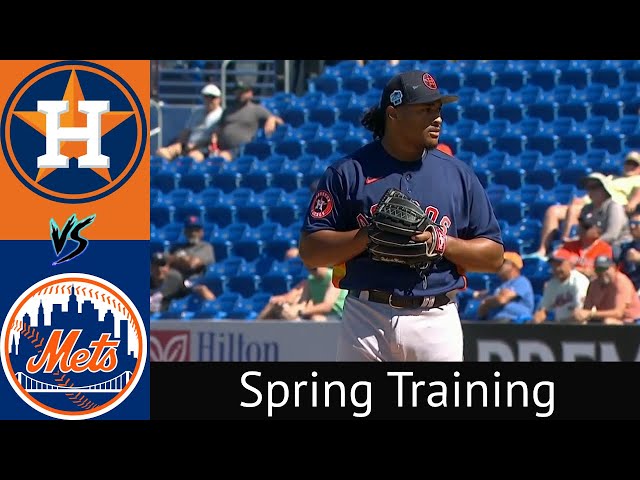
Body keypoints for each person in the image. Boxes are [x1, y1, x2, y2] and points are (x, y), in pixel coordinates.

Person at [298, 69, 504, 361]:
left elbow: (494, 256)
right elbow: (311, 252)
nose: (437, 118)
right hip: (366, 316)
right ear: (393, 114)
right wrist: (366, 237)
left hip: (435, 318)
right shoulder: (348, 172)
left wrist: (440, 243)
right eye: (425, 109)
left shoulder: (458, 175)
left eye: (438, 109)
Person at [529, 151, 640, 258]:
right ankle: (546, 249)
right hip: (590, 214)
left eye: (634, 164)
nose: (630, 166)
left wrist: (590, 246)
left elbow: (612, 234)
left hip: (614, 244)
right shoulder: (611, 179)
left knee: (573, 211)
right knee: (553, 210)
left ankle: (565, 239)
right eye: (628, 163)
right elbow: (583, 232)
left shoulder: (617, 202)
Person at [211, 83, 285, 161]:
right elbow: (218, 128)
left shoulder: (256, 109)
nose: (240, 94)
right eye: (238, 92)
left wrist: (272, 119)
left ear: (250, 93)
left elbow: (280, 121)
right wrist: (214, 138)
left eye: (243, 92)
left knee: (220, 159)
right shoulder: (228, 111)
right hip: (221, 148)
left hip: (242, 150)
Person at [155, 83, 224, 162]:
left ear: (219, 99)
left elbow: (216, 137)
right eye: (206, 97)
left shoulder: (221, 115)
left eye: (212, 97)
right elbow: (187, 131)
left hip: (204, 149)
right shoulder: (197, 112)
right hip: (187, 145)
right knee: (161, 153)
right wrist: (179, 144)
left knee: (191, 159)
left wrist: (195, 146)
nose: (209, 100)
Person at [258, 266, 347, 321]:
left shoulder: (334, 277)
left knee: (316, 319)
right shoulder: (310, 280)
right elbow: (302, 302)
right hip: (315, 314)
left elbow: (327, 306)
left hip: (338, 316)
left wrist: (301, 312)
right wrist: (290, 311)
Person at [573, 255, 640, 324]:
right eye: (599, 269)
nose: (602, 273)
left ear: (613, 268)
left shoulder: (621, 282)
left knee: (609, 322)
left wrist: (590, 314)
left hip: (632, 321)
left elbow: (618, 313)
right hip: (604, 320)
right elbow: (586, 310)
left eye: (605, 269)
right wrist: (580, 314)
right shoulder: (594, 285)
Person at [532, 248, 590, 323]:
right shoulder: (552, 284)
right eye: (554, 265)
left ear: (570, 263)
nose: (557, 268)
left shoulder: (579, 280)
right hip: (561, 327)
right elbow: (544, 309)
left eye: (559, 264)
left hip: (581, 327)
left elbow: (580, 313)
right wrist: (537, 318)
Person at [476, 252, 535, 322]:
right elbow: (482, 310)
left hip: (515, 323)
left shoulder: (521, 281)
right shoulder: (498, 286)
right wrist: (488, 302)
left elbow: (501, 300)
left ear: (513, 266)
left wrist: (487, 302)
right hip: (494, 323)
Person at [167, 215, 215, 280]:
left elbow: (192, 264)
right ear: (185, 232)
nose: (193, 233)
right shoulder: (177, 247)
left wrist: (178, 258)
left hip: (196, 281)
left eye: (196, 230)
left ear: (202, 232)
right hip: (177, 280)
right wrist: (184, 259)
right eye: (190, 230)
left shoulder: (206, 247)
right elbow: (166, 261)